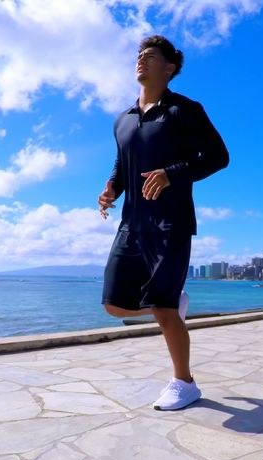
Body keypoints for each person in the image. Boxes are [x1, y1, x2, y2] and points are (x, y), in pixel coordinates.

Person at [98, 35, 229, 411]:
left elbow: (219, 157)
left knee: (165, 311)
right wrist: (111, 189)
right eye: (138, 54)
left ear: (169, 68)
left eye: (150, 56)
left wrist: (172, 173)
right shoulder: (122, 120)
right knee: (113, 305)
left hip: (170, 224)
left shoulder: (185, 110)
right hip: (131, 225)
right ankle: (172, 305)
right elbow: (122, 165)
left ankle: (184, 384)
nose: (141, 60)